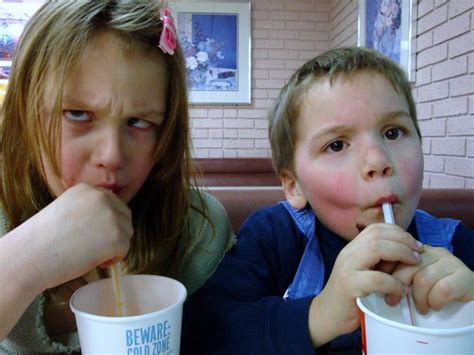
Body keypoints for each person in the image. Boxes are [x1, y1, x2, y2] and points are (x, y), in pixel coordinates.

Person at [182, 47, 474, 354]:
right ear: (294, 186)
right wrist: (319, 314)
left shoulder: (457, 244)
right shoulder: (273, 237)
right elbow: (205, 334)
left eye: (393, 132)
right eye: (336, 145)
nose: (377, 160)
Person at [0, 1, 235, 352]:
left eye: (140, 122)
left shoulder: (196, 231)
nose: (111, 155)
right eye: (77, 114)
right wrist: (24, 262)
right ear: (25, 111)